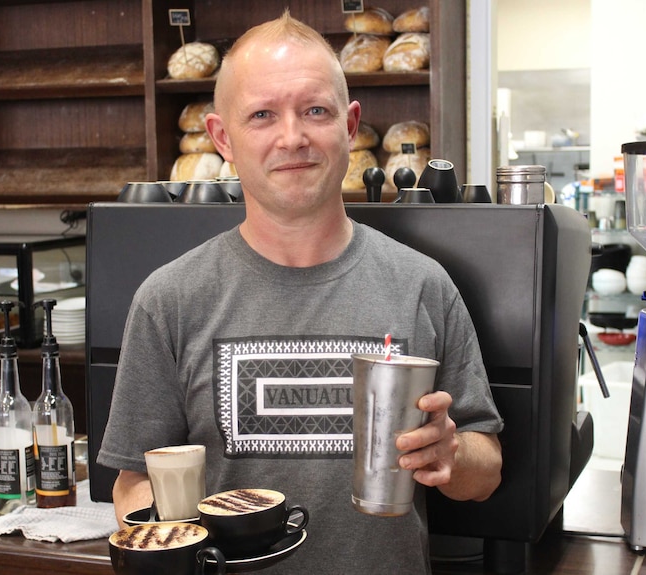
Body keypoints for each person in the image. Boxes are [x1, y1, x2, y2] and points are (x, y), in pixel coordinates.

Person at [98, 10, 503, 574]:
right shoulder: (169, 300)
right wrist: (170, 550)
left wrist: (453, 453)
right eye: (262, 115)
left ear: (348, 124)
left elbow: (486, 473)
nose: (293, 137)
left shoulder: (422, 285)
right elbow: (133, 482)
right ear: (223, 138)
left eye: (315, 110)